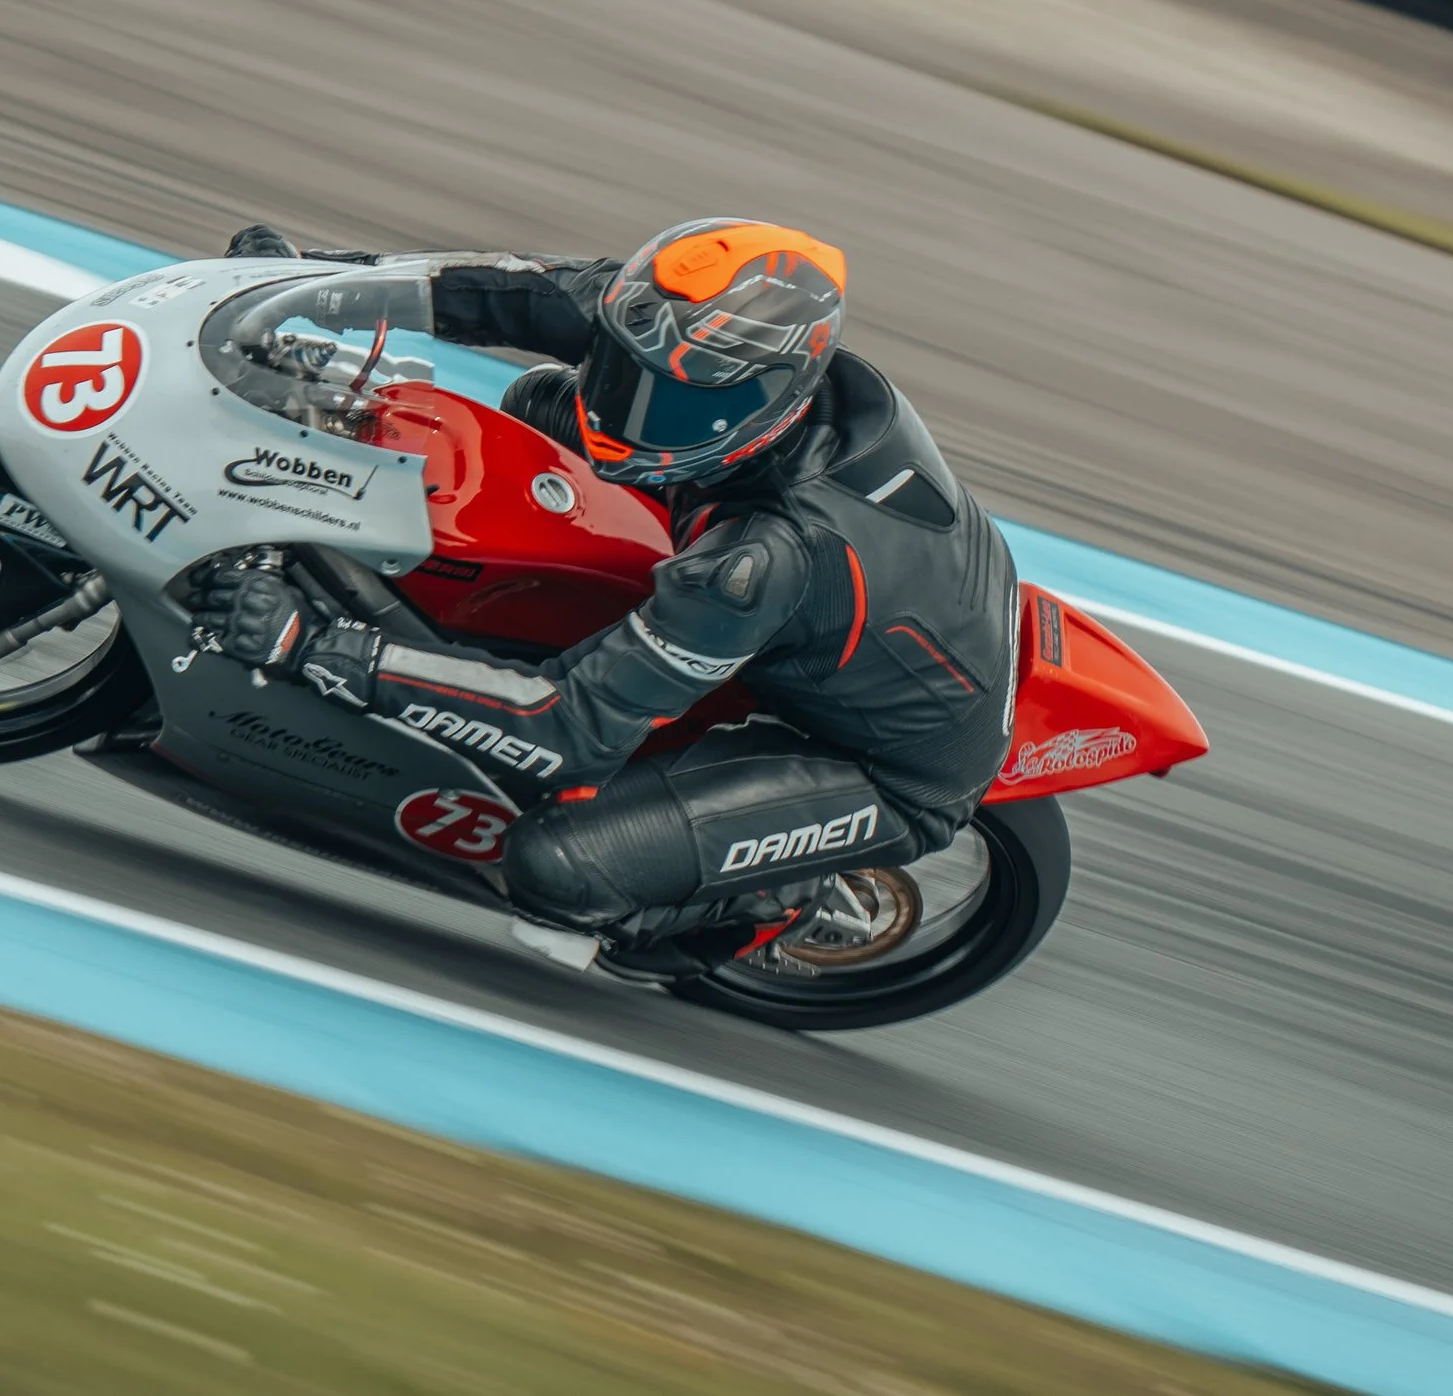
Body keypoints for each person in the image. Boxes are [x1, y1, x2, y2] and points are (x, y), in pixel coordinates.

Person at [188, 219, 1019, 973]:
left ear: (771, 398)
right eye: (628, 373)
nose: (633, 415)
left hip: (886, 766)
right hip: (868, 593)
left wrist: (317, 646)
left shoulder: (762, 561)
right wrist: (306, 281)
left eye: (683, 404)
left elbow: (566, 729)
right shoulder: (679, 327)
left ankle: (773, 900)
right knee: (532, 406)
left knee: (559, 865)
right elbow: (499, 289)